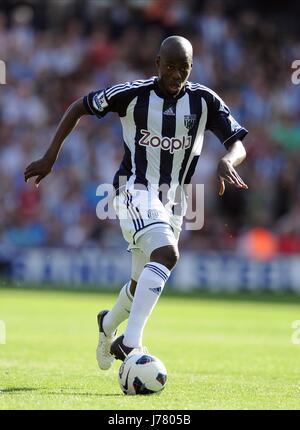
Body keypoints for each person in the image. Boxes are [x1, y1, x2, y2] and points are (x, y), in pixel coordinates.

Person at [24, 35, 248, 370]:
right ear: (157, 63)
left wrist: (229, 160)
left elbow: (238, 143)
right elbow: (79, 107)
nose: (176, 74)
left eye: (183, 68)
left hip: (175, 201)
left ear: (191, 67)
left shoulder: (204, 101)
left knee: (140, 280)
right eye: (170, 66)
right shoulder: (131, 94)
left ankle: (107, 324)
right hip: (133, 190)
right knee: (167, 254)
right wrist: (50, 156)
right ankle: (131, 342)